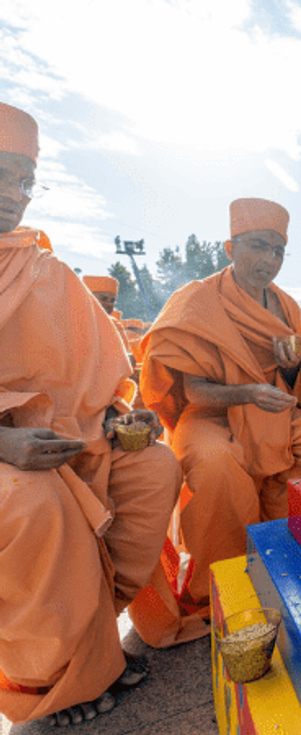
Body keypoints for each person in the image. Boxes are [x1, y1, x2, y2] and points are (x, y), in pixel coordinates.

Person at [0, 101, 182, 726]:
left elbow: (102, 379)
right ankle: (49, 684)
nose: (15, 194)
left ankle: (94, 640)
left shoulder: (46, 271)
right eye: (2, 173)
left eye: (25, 178)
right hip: (12, 461)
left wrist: (118, 416)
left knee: (157, 469)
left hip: (69, 443)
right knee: (34, 504)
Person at [133, 197, 301, 647]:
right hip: (211, 413)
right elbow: (193, 390)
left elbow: (293, 378)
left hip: (271, 408)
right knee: (216, 463)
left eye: (278, 251)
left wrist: (290, 368)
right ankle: (219, 588)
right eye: (258, 247)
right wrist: (246, 394)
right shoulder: (196, 301)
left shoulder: (286, 307)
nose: (269, 261)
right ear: (229, 247)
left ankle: (293, 565)